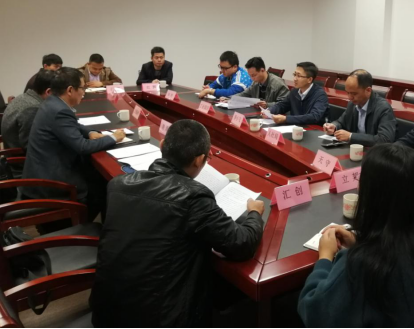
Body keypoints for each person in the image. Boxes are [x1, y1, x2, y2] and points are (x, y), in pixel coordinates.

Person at [91, 120, 265, 328]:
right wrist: (254, 213)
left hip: (106, 313)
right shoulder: (193, 197)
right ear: (199, 160)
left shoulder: (118, 185)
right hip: (161, 320)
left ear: (162, 145)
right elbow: (241, 243)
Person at [298, 143, 414, 327]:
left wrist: (325, 257)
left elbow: (315, 314)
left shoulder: (365, 262)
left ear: (372, 193)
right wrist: (359, 241)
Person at [22, 68, 126, 220]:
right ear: (70, 90)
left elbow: (73, 125)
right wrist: (113, 138)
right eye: (83, 88)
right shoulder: (60, 111)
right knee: (106, 187)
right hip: (52, 182)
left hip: (44, 169)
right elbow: (82, 147)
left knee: (97, 177)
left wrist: (90, 133)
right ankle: (82, 225)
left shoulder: (52, 102)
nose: (84, 92)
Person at [323, 70, 396, 146]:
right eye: (348, 92)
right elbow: (341, 122)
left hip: (373, 151)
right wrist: (334, 126)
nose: (350, 97)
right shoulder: (352, 104)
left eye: (354, 93)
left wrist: (351, 136)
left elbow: (385, 139)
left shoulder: (383, 108)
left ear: (368, 90)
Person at [1, 70, 56, 150]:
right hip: (22, 156)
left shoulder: (23, 97)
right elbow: (31, 145)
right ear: (49, 92)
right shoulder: (33, 108)